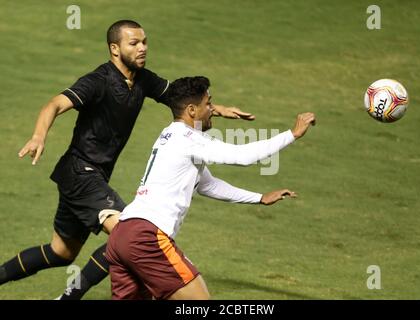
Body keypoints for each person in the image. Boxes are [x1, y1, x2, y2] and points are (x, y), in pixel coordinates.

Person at [0, 20, 254, 300]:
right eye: (134, 43)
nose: (142, 48)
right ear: (114, 49)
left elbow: (180, 100)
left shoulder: (142, 78)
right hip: (80, 173)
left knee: (61, 253)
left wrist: (217, 109)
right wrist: (39, 135)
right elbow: (56, 103)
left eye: (144, 41)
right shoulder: (98, 81)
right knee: (127, 233)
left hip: (85, 177)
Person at [105, 76, 316, 299]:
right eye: (208, 104)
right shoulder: (188, 138)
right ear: (192, 110)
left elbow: (208, 185)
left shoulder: (171, 134)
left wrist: (259, 197)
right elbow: (242, 156)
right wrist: (292, 134)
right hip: (146, 238)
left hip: (122, 234)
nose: (212, 110)